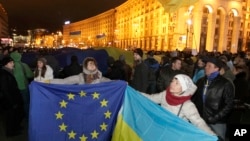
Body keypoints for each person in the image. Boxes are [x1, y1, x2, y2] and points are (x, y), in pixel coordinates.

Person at [139, 74, 216, 136]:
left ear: (183, 88)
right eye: (172, 81)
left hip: (175, 134)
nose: (172, 84)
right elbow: (151, 98)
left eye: (177, 83)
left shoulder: (187, 105)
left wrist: (212, 135)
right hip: (162, 129)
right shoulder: (165, 94)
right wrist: (133, 92)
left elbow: (198, 122)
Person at [192, 57, 235, 140]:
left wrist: (215, 118)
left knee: (217, 139)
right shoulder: (201, 81)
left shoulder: (225, 84)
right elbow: (195, 98)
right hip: (200, 120)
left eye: (209, 66)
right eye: (206, 65)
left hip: (217, 122)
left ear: (216, 68)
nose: (206, 67)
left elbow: (229, 105)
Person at [0, 56, 24, 137]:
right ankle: (10, 132)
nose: (13, 64)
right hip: (9, 100)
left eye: (13, 62)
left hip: (14, 98)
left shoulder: (9, 71)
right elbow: (5, 90)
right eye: (11, 63)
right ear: (5, 64)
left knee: (16, 114)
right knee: (10, 117)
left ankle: (15, 128)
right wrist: (12, 102)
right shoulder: (3, 74)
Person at [10, 51, 34, 119]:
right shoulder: (24, 65)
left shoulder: (9, 65)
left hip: (14, 88)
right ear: (20, 57)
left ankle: (17, 117)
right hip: (23, 86)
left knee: (16, 103)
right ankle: (27, 117)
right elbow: (30, 75)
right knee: (26, 103)